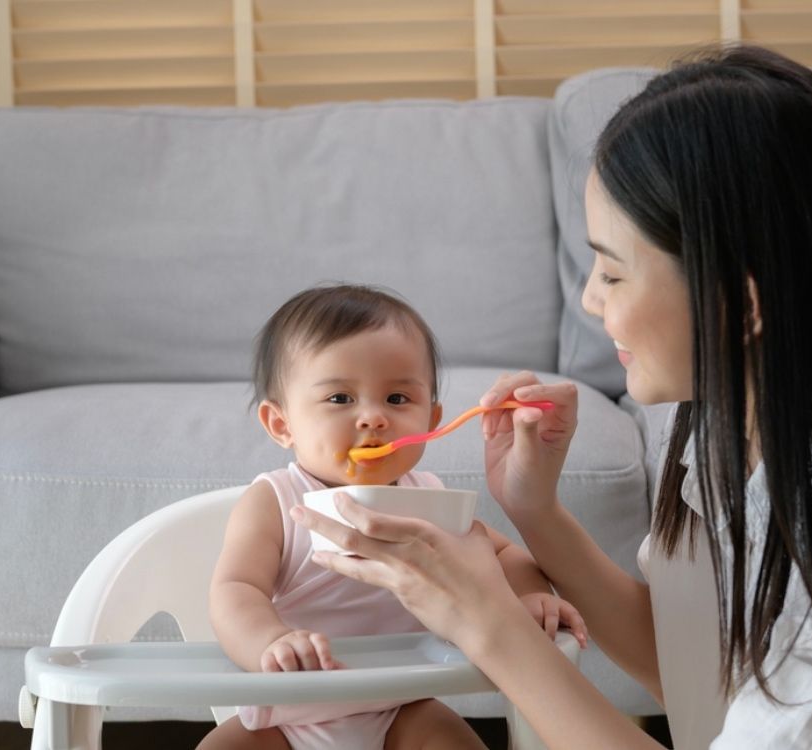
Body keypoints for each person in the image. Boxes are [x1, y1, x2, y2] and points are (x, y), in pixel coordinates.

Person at [293, 46, 812, 748]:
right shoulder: (734, 424)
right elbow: (699, 670)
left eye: (612, 273)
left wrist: (485, 623)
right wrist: (534, 509)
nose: (589, 299)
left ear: (740, 302)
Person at [198, 284, 587, 750]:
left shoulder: (428, 498)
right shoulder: (276, 500)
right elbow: (235, 589)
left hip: (401, 708)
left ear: (431, 419)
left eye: (398, 399)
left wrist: (529, 597)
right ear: (282, 424)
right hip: (289, 714)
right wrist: (270, 642)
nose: (373, 418)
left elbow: (501, 554)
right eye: (340, 399)